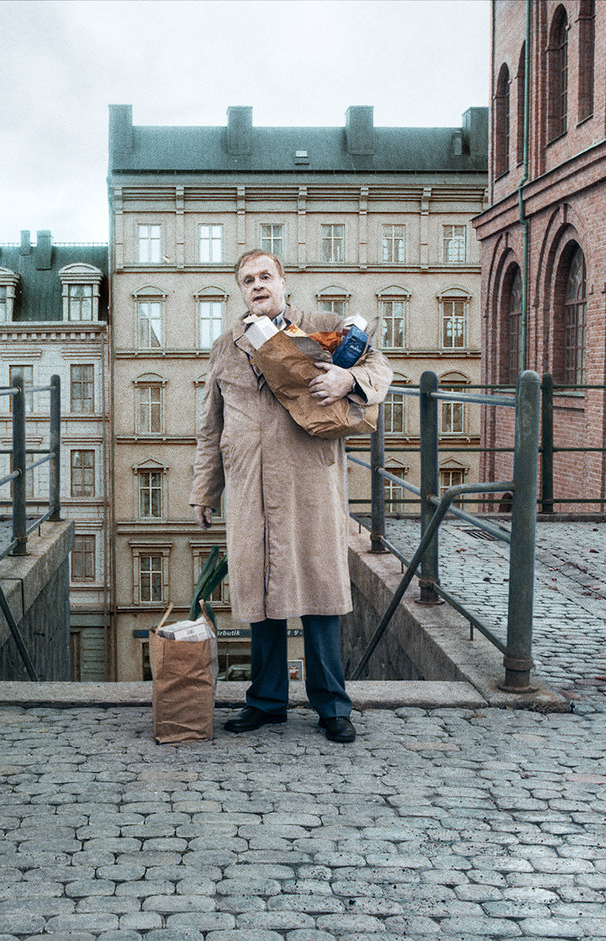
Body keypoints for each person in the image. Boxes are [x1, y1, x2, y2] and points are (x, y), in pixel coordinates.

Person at [190, 249, 393, 743]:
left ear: (283, 282)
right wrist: (204, 492)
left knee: (320, 590)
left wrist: (350, 377)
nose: (257, 285)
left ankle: (332, 706)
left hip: (309, 480)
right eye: (247, 280)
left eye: (265, 276)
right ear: (240, 291)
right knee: (262, 595)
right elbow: (210, 426)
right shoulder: (226, 346)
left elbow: (382, 368)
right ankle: (266, 701)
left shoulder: (322, 326)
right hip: (249, 485)